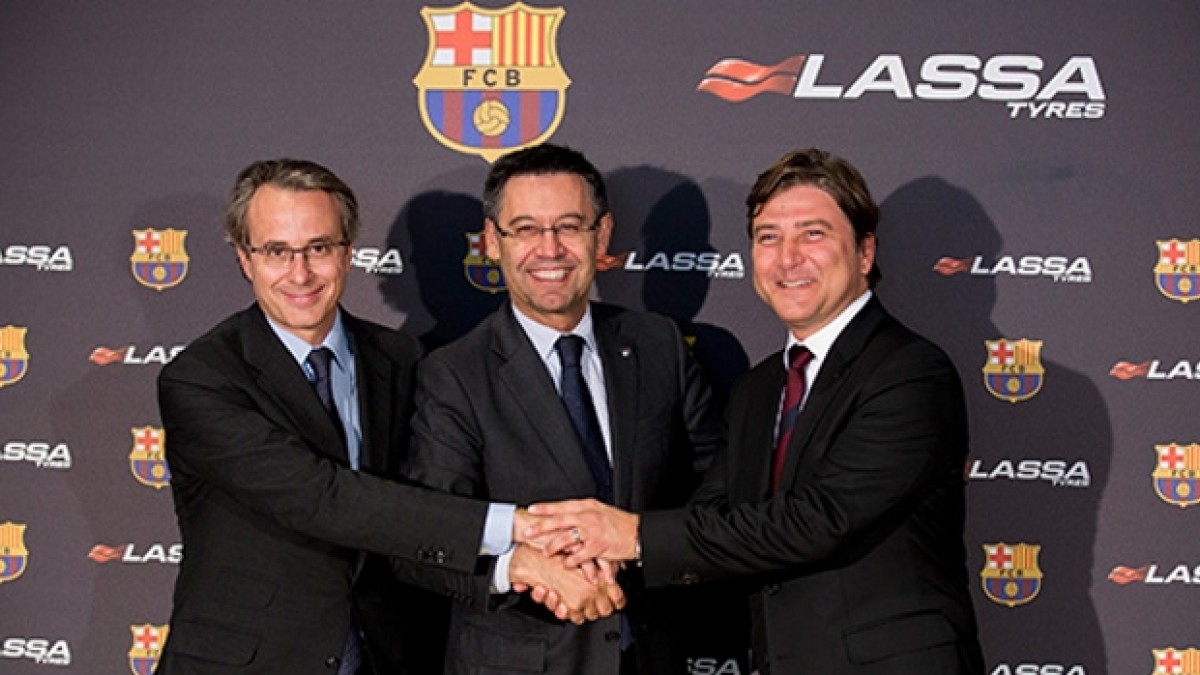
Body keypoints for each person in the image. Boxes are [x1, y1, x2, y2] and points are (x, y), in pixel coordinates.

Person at [528, 148, 986, 674]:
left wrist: (632, 536)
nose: (787, 258)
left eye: (812, 234)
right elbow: (714, 516)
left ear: (865, 252)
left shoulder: (910, 372)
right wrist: (589, 565)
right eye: (768, 237)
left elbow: (819, 519)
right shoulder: (759, 388)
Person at [156, 158, 611, 675]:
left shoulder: (400, 358)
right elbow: (324, 498)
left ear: (349, 252)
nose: (300, 273)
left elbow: (417, 510)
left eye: (319, 248)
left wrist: (515, 566)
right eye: (277, 252)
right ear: (245, 258)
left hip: (387, 656)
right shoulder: (201, 378)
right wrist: (518, 527)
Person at [403, 143, 720, 675]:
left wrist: (642, 541)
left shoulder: (658, 344)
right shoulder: (453, 373)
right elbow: (428, 536)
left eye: (569, 226)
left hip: (655, 653)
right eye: (525, 229)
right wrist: (519, 568)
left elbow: (720, 486)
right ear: (492, 241)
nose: (549, 249)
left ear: (602, 234)